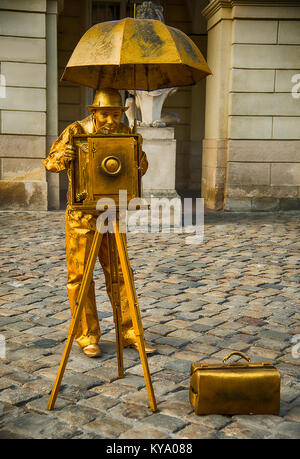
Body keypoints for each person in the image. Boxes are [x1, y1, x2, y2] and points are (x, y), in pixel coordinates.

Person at [43, 88, 155, 357]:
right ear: (94, 112)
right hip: (81, 215)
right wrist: (63, 157)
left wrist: (137, 151)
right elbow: (50, 163)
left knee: (120, 274)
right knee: (80, 276)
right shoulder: (76, 130)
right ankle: (86, 335)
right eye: (105, 114)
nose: (110, 120)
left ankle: (130, 333)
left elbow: (139, 168)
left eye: (116, 114)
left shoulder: (125, 132)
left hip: (111, 212)